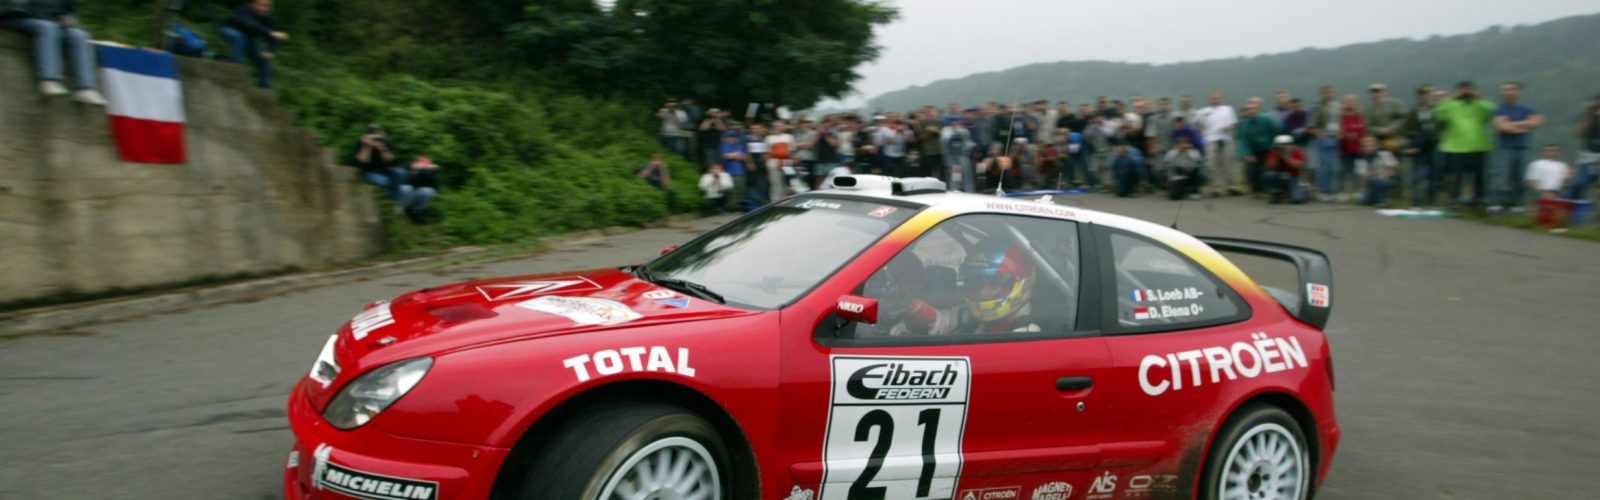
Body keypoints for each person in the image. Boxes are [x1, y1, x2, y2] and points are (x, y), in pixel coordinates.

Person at [1, 0, 106, 103]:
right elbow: (20, 7)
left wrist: (69, 18)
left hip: (51, 21)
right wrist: (54, 19)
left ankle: (85, 88)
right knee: (48, 28)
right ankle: (48, 80)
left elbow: (70, 9)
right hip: (16, 16)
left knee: (80, 35)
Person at [1434, 82, 1496, 206]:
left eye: (1468, 90)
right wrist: (1451, 98)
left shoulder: (1479, 104)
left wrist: (1480, 98)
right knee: (1456, 176)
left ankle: (1479, 198)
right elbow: (1437, 114)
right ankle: (1454, 199)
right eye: (1462, 90)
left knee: (1479, 175)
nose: (1465, 93)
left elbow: (1493, 111)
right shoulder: (1451, 105)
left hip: (1478, 145)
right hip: (1456, 147)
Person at [1491, 82, 1545, 212]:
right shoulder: (1500, 109)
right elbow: (1502, 127)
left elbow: (1537, 122)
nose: (1508, 92)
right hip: (1504, 147)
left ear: (1519, 92)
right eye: (1505, 90)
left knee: (1520, 177)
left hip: (1522, 147)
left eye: (1512, 89)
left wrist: (1514, 125)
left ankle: (1517, 204)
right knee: (1501, 176)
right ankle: (1498, 202)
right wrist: (1525, 126)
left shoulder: (1528, 108)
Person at [219, 0, 287, 89]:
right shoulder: (245, 10)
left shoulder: (268, 18)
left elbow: (274, 35)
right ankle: (234, 66)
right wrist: (269, 32)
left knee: (264, 60)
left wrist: (270, 51)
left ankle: (264, 86)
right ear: (253, 4)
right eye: (261, 5)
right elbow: (250, 24)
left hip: (248, 38)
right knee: (239, 37)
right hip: (229, 29)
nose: (264, 9)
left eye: (267, 6)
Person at [1401, 85, 1441, 206]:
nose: (1423, 97)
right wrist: (1414, 139)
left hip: (1434, 145)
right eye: (1421, 95)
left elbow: (1441, 127)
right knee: (1417, 173)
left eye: (1425, 94)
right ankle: (1416, 199)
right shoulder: (1412, 112)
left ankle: (1431, 199)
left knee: (1434, 173)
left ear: (1429, 96)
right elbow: (1406, 130)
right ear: (1417, 96)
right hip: (1419, 147)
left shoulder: (1437, 110)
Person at [1194, 92, 1239, 196]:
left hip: (1226, 139)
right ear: (1210, 99)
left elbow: (1234, 124)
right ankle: (1216, 188)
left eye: (1217, 98)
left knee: (1228, 163)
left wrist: (1228, 127)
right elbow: (1196, 123)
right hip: (1211, 140)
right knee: (1212, 165)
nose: (1215, 100)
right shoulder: (1204, 111)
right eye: (1213, 98)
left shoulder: (1228, 109)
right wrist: (1202, 124)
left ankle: (1232, 186)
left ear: (1221, 99)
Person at [1235, 100, 1281, 196]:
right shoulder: (1244, 124)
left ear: (1258, 109)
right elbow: (1244, 140)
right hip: (1253, 150)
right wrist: (1247, 154)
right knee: (1252, 170)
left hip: (1269, 148)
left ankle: (1269, 188)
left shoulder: (1268, 119)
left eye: (1254, 109)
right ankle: (1257, 190)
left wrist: (1275, 147)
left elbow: (1277, 131)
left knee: (1267, 169)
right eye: (1249, 109)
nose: (1251, 111)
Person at [351, 124, 404, 199]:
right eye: (372, 132)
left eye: (377, 132)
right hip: (368, 172)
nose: (374, 135)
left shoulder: (384, 142)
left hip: (385, 171)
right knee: (388, 182)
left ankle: (395, 199)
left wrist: (381, 148)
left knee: (400, 172)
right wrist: (367, 146)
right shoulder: (361, 144)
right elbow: (359, 163)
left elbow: (392, 161)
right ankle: (393, 200)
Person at [1310, 85, 1341, 201]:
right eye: (1325, 92)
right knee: (1324, 167)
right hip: (1323, 138)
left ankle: (1332, 191)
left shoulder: (1337, 105)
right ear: (1321, 93)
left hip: (1335, 138)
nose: (1328, 94)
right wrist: (1320, 136)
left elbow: (1340, 121)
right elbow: (1311, 125)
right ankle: (1323, 191)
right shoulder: (1316, 106)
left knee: (1334, 167)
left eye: (1330, 92)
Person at [1336, 95, 1369, 201]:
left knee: (1358, 172)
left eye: (1353, 101)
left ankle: (1358, 191)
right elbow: (1337, 133)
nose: (1350, 103)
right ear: (1344, 104)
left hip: (1359, 149)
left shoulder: (1361, 117)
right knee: (1344, 171)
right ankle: (1342, 192)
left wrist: (1365, 145)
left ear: (1357, 103)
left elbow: (1365, 132)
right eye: (1348, 101)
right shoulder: (1340, 117)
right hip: (1345, 148)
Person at [1353, 136, 1401, 206]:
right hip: (1371, 183)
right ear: (1362, 148)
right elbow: (1364, 176)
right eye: (1365, 146)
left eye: (1371, 145)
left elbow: (1395, 166)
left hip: (1387, 180)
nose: (1368, 148)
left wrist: (1387, 173)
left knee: (1375, 180)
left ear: (1376, 146)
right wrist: (1378, 174)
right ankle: (1379, 199)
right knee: (1364, 200)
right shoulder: (1360, 159)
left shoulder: (1384, 154)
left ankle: (1383, 200)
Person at [1263, 135, 1307, 204]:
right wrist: (1277, 156)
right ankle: (1276, 192)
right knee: (1269, 174)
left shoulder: (1297, 151)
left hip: (1293, 177)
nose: (1283, 147)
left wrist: (1286, 156)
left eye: (1286, 144)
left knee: (1297, 199)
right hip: (1279, 176)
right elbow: (1270, 167)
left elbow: (1297, 166)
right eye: (1280, 144)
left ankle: (1302, 190)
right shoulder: (1273, 152)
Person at [1572, 94, 1600, 200]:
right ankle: (1573, 204)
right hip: (1588, 158)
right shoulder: (1587, 116)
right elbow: (1577, 134)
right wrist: (1590, 113)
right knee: (1579, 184)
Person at [1366, 84, 1408, 153]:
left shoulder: (1396, 104)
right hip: (1381, 143)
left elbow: (1403, 118)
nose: (1377, 94)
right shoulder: (1369, 110)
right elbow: (1369, 126)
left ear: (1385, 92)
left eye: (1379, 92)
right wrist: (1380, 130)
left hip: (1399, 140)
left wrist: (1392, 128)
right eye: (1374, 92)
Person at [399, 155, 440, 225]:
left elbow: (432, 187)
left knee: (427, 191)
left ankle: (417, 212)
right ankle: (402, 211)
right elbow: (410, 183)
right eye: (421, 162)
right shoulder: (409, 169)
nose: (423, 165)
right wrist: (414, 172)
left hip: (420, 196)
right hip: (408, 195)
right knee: (406, 189)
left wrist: (424, 171)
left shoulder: (431, 173)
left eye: (426, 163)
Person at [717, 131, 750, 211]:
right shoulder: (724, 146)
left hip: (740, 170)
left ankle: (737, 205)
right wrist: (737, 155)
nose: (733, 139)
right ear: (727, 138)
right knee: (731, 190)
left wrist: (734, 155)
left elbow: (745, 157)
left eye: (735, 137)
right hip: (729, 171)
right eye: (731, 137)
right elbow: (726, 156)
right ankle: (730, 206)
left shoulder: (740, 146)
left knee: (740, 188)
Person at [942, 118, 976, 192]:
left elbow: (969, 143)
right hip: (954, 158)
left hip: (963, 157)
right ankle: (955, 191)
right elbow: (945, 142)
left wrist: (961, 133)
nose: (956, 125)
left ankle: (970, 192)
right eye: (954, 124)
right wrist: (955, 132)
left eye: (958, 123)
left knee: (967, 176)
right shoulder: (946, 132)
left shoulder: (964, 131)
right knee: (956, 177)